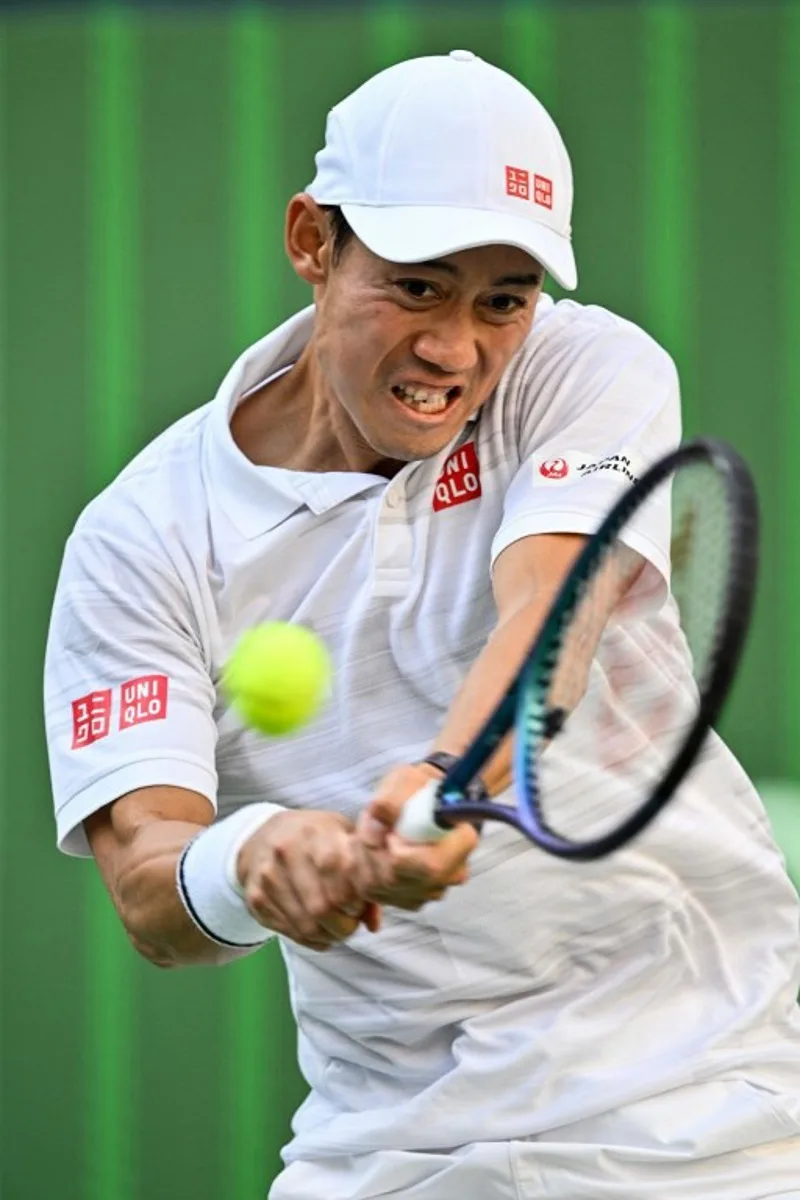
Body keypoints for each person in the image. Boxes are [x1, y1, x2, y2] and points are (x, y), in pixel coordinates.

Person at [44, 51, 800, 1200]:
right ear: (312, 241)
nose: (457, 348)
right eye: (417, 286)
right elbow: (150, 886)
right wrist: (257, 860)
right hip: (385, 1152)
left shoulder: (588, 369)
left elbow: (551, 610)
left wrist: (446, 775)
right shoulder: (140, 538)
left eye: (503, 298)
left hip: (706, 1120)